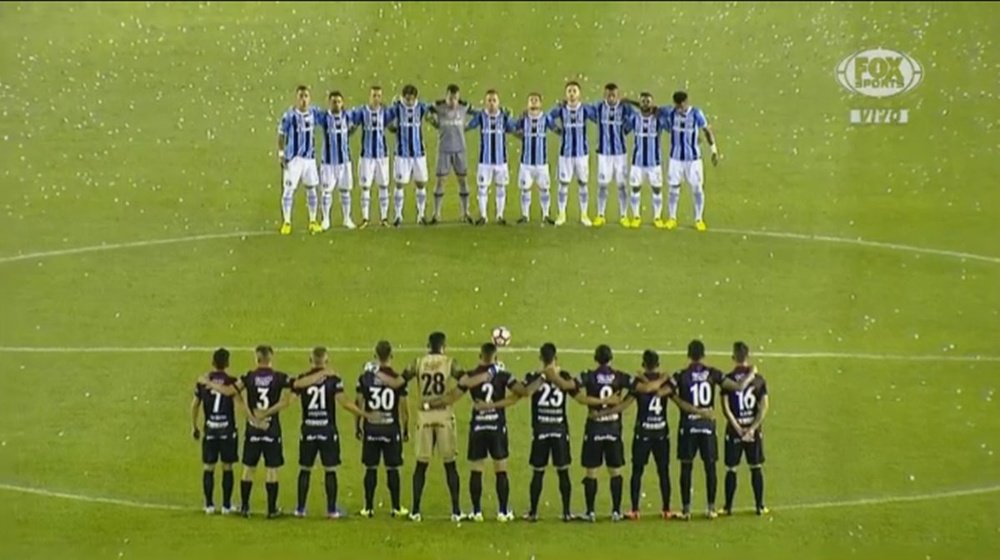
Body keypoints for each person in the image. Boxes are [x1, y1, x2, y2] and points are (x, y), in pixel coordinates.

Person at [290, 347, 372, 519]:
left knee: (305, 469)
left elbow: (290, 399)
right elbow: (344, 403)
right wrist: (364, 414)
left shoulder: (303, 379)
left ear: (310, 360)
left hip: (308, 429)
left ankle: (300, 509)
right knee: (330, 470)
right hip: (327, 430)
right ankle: (332, 510)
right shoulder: (333, 379)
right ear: (326, 361)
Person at [356, 341, 410, 518]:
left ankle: (368, 508)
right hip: (390, 428)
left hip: (371, 428)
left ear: (375, 356)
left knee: (370, 468)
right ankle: (395, 507)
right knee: (392, 469)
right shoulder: (397, 379)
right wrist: (406, 429)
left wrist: (358, 425)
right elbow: (404, 407)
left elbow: (359, 402)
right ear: (391, 356)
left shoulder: (366, 378)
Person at [191, 348, 246, 514]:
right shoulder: (232, 381)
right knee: (227, 467)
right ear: (227, 363)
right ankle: (226, 505)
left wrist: (194, 426)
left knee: (209, 467)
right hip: (227, 431)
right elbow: (240, 403)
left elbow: (195, 405)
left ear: (213, 362)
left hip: (211, 431)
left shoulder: (203, 382)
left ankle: (208, 505)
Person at [720, 341, 770, 516]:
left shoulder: (728, 379)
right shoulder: (758, 379)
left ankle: (728, 507)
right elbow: (764, 407)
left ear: (733, 357)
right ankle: (759, 506)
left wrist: (738, 427)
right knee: (755, 467)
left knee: (731, 469)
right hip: (753, 432)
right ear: (748, 357)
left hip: (734, 430)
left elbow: (725, 408)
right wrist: (752, 429)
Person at [276, 85, 323, 235]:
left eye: (306, 96)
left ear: (310, 98)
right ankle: (287, 222)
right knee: (289, 190)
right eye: (301, 96)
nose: (303, 100)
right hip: (294, 159)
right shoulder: (289, 116)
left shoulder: (314, 112)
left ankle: (313, 221)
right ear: (296, 98)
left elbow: (329, 118)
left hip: (309, 159)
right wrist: (281, 154)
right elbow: (281, 134)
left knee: (312, 189)